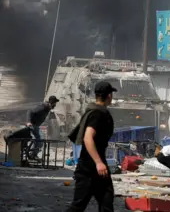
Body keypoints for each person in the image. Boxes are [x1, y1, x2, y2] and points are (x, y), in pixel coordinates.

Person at [66, 81, 116, 211]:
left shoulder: (95, 111)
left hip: (95, 166)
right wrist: (99, 162)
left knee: (106, 203)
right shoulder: (97, 114)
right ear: (109, 96)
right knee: (78, 206)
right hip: (89, 167)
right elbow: (88, 138)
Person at [27, 95, 59, 160]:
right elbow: (30, 111)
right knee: (39, 141)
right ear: (52, 103)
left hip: (36, 125)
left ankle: (32, 155)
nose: (55, 105)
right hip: (33, 125)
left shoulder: (47, 108)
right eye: (55, 103)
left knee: (39, 141)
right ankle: (32, 155)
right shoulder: (43, 107)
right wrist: (28, 122)